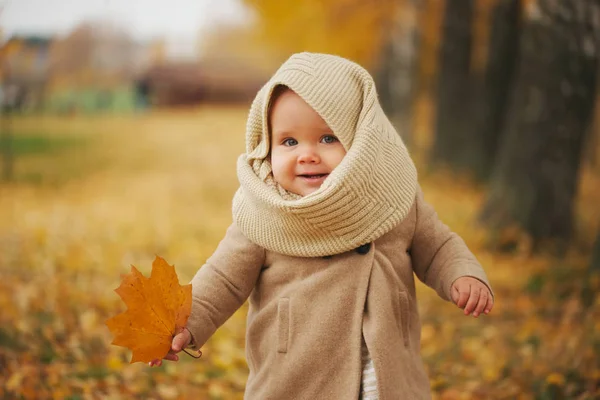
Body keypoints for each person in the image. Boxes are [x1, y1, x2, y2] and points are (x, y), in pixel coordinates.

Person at [149, 52, 494, 399]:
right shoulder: (267, 213)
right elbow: (222, 280)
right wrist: (185, 324)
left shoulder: (392, 196)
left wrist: (463, 273)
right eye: (289, 142)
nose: (307, 154)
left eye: (328, 138)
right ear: (266, 146)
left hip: (386, 379)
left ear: (363, 141)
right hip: (297, 382)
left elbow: (437, 246)